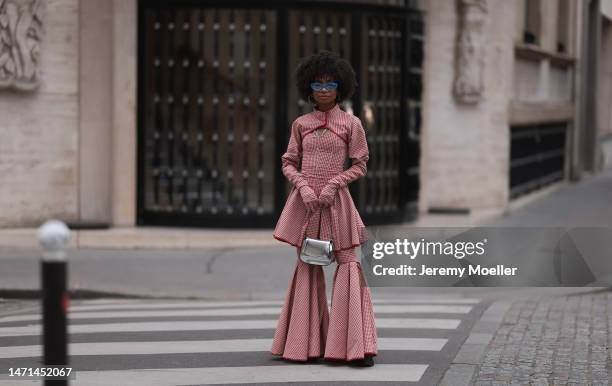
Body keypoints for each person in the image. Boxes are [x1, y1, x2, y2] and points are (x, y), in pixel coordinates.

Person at [270, 50, 377, 367]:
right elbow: (288, 162)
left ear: (340, 87)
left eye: (330, 83)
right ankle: (303, 345)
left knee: (347, 264)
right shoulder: (301, 124)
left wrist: (334, 183)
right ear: (309, 89)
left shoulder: (351, 124)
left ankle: (354, 348)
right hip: (306, 205)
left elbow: (361, 164)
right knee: (308, 264)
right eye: (318, 84)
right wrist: (302, 186)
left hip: (337, 203)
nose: (325, 89)